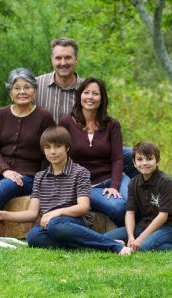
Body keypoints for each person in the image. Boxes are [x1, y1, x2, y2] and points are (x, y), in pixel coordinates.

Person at [0, 126, 132, 255]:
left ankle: (114, 246)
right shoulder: (40, 177)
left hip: (73, 222)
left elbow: (83, 207)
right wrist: (3, 215)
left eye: (57, 146)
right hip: (51, 225)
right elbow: (32, 213)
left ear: (67, 148)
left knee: (56, 224)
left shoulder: (80, 172)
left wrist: (54, 213)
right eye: (48, 148)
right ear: (43, 150)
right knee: (33, 237)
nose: (52, 152)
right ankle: (97, 244)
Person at [35, 37, 138, 178]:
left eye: (68, 58)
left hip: (84, 147)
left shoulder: (87, 90)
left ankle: (141, 193)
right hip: (49, 149)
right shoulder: (36, 85)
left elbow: (100, 119)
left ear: (76, 59)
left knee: (135, 155)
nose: (63, 63)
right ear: (52, 59)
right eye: (58, 58)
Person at [60, 77, 130, 227]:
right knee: (118, 207)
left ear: (102, 98)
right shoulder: (66, 123)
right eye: (86, 92)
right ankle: (130, 236)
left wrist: (114, 185)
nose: (90, 97)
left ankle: (153, 231)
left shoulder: (112, 125)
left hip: (112, 178)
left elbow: (117, 158)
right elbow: (59, 158)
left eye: (95, 93)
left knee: (134, 202)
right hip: (87, 186)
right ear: (80, 95)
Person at [0, 68, 55, 210]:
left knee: (1, 189)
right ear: (10, 93)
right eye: (17, 88)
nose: (22, 92)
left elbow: (53, 147)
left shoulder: (44, 116)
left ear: (34, 91)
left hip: (28, 176)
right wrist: (5, 170)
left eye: (27, 87)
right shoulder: (0, 114)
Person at [104, 142, 172, 252]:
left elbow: (163, 216)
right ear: (134, 163)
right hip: (144, 225)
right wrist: (131, 236)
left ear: (157, 161)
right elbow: (130, 212)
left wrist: (140, 239)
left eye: (149, 159)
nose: (145, 163)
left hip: (168, 226)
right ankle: (149, 242)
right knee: (105, 239)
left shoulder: (166, 183)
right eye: (140, 159)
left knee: (143, 246)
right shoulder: (133, 183)